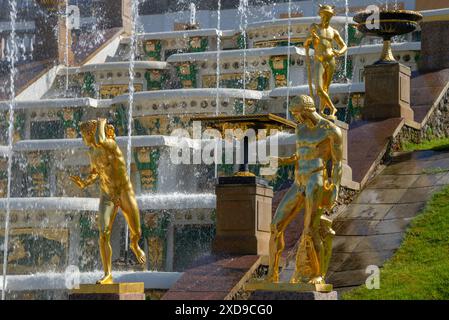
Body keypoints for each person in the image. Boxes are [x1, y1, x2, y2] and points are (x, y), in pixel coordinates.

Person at [267, 94, 342, 285]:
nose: (295, 118)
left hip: (316, 180)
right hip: (298, 182)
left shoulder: (330, 130)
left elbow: (338, 163)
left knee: (310, 230)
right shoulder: (300, 128)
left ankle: (317, 275)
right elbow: (301, 153)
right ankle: (271, 275)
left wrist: (335, 189)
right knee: (275, 226)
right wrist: (284, 161)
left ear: (307, 111)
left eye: (297, 113)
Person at [70, 119, 146, 284]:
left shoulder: (110, 144)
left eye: (84, 134)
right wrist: (85, 182)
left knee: (137, 232)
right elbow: (95, 172)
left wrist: (101, 122)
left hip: (124, 192)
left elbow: (102, 140)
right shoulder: (92, 152)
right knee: (103, 234)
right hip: (107, 195)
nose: (82, 138)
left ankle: (135, 245)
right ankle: (107, 274)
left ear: (91, 133)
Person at [304, 4, 347, 119]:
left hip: (331, 60)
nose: (324, 18)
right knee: (319, 88)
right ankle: (333, 108)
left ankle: (322, 111)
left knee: (326, 88)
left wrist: (339, 52)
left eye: (327, 16)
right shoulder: (314, 27)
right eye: (323, 15)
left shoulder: (333, 31)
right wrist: (311, 38)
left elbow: (344, 46)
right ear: (320, 15)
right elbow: (305, 44)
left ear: (330, 17)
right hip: (319, 60)